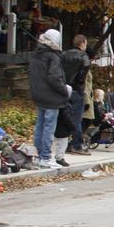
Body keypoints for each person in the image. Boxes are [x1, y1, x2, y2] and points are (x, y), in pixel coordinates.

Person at [29, 29, 71, 169]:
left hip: (39, 94)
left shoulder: (36, 54)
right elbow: (55, 77)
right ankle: (45, 157)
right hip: (52, 97)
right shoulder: (53, 56)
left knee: (40, 126)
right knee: (48, 127)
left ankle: (38, 154)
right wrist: (65, 91)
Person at [61, 34, 90, 155]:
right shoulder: (83, 56)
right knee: (77, 118)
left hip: (64, 88)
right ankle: (76, 145)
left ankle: (65, 143)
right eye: (86, 43)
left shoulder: (64, 54)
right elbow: (85, 69)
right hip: (77, 90)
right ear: (82, 43)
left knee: (65, 117)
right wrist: (80, 83)